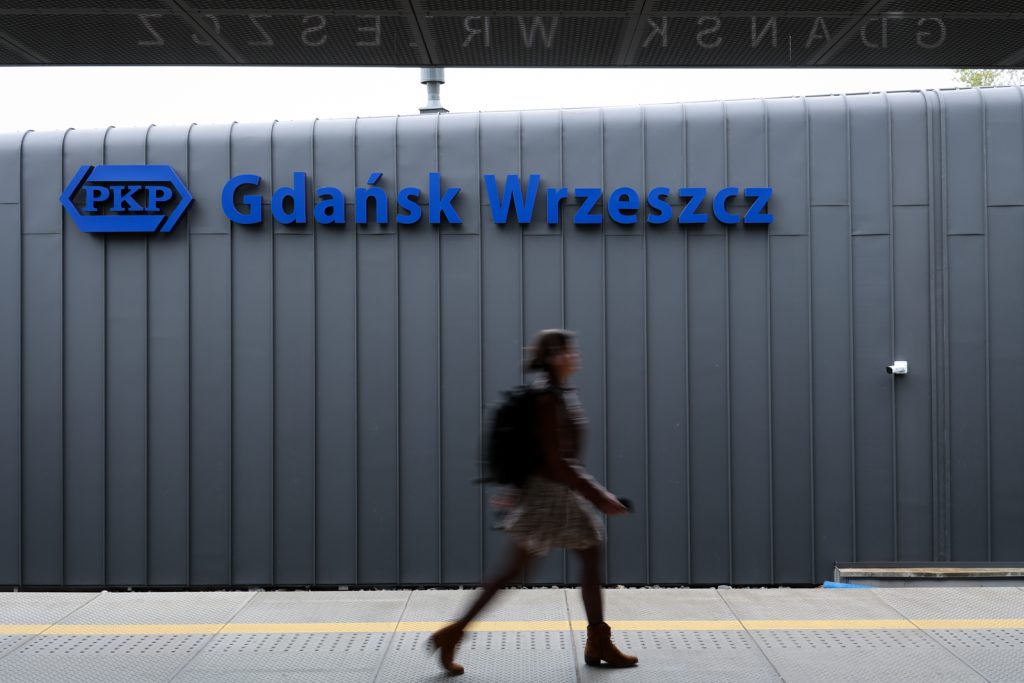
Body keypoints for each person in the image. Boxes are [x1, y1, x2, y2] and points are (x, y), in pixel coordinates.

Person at [429, 329, 638, 675]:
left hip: (559, 492)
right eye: (568, 350)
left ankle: (598, 640)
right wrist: (598, 495)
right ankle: (453, 633)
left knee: (586, 552)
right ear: (553, 357)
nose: (575, 355)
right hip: (549, 496)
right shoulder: (546, 399)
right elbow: (557, 460)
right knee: (514, 569)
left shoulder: (560, 393)